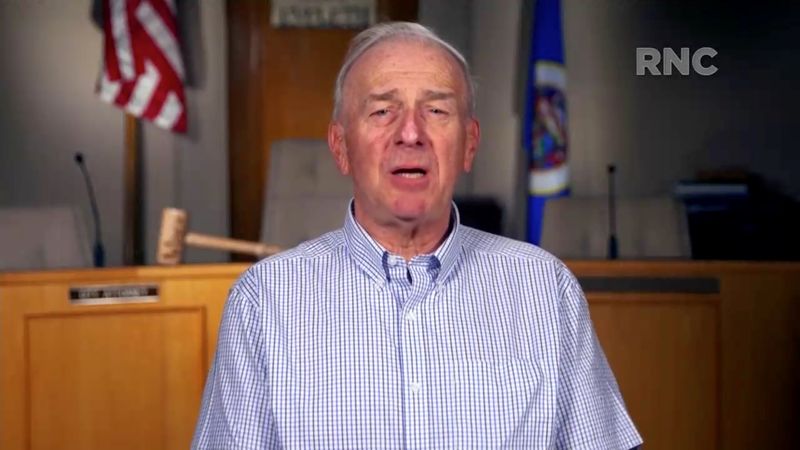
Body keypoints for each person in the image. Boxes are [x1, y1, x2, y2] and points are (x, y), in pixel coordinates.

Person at [192, 22, 642, 449]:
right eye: (383, 110)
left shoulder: (546, 290)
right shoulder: (263, 301)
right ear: (341, 146)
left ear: (468, 143)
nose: (410, 133)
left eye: (437, 110)